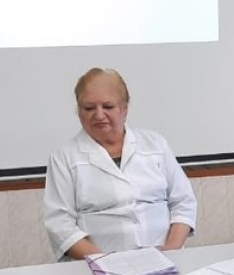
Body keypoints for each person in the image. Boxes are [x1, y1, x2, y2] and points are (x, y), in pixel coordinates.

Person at [43, 68, 197, 260]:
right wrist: (107, 262)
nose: (99, 115)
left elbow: (183, 202)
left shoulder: (155, 144)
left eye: (108, 106)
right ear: (79, 111)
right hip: (95, 266)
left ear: (124, 109)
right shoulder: (64, 156)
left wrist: (171, 251)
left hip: (165, 260)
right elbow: (60, 225)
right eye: (89, 108)